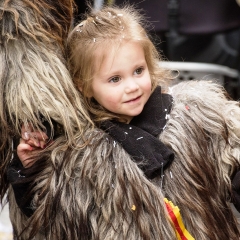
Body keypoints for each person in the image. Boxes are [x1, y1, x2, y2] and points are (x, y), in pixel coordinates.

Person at [15, 4, 240, 240]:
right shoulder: (77, 151)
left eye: (138, 71)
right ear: (84, 85)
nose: (132, 86)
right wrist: (30, 171)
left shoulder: (195, 115)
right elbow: (49, 217)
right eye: (115, 79)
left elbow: (232, 154)